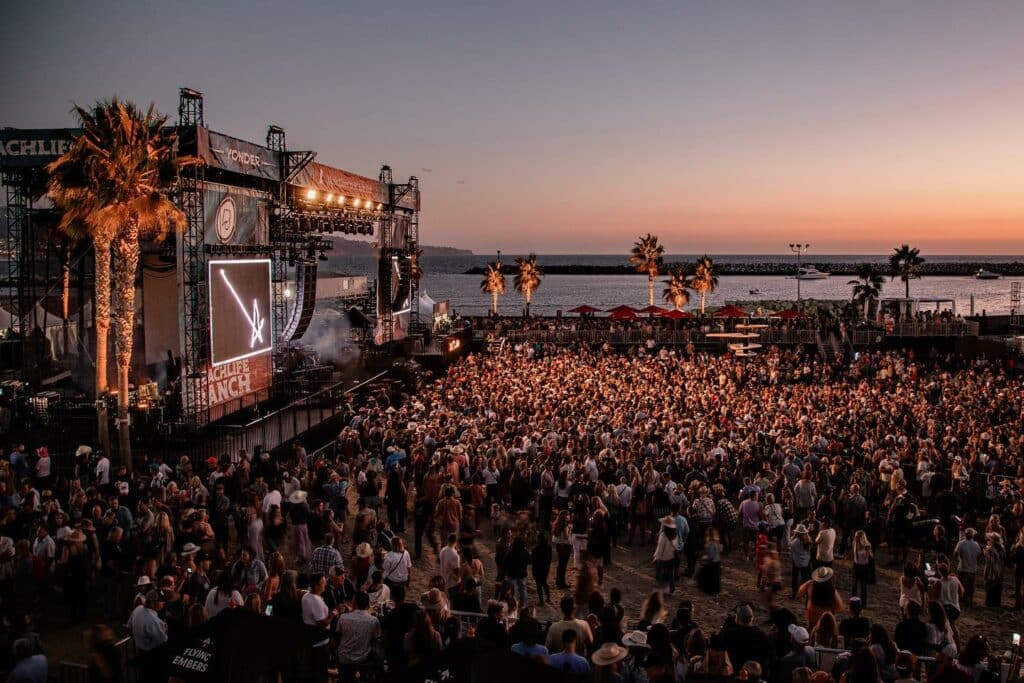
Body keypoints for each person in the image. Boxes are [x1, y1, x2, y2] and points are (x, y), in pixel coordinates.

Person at [335, 591, 381, 677]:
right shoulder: (374, 620)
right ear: (367, 605)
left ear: (354, 604)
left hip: (344, 657)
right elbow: (376, 637)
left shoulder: (343, 617)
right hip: (363, 658)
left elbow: (338, 635)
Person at [798, 566, 844, 631]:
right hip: (825, 615)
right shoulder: (831, 589)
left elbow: (800, 591)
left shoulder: (811, 583)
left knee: (811, 628)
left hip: (812, 613)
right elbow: (838, 606)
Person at [952, 528, 981, 608]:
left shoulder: (961, 543)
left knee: (963, 585)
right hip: (973, 568)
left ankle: (963, 600)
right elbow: (979, 555)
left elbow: (955, 554)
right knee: (971, 585)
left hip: (963, 567)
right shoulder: (976, 544)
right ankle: (970, 600)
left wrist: (960, 557)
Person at [653, 515, 677, 593]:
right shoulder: (674, 534)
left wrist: (656, 558)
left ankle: (661, 588)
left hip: (663, 558)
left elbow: (660, 548)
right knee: (671, 574)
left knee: (659, 573)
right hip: (671, 557)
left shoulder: (663, 535)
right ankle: (672, 588)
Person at [851, 530, 874, 606]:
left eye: (858, 536)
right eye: (856, 536)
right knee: (854, 585)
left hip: (864, 567)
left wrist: (868, 550)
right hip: (856, 566)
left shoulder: (867, 545)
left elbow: (869, 557)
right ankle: (854, 602)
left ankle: (864, 603)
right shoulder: (854, 543)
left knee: (863, 586)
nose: (856, 537)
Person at [982, 533, 1005, 608]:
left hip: (991, 569)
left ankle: (989, 602)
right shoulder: (1002, 548)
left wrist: (985, 552)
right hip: (999, 569)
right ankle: (996, 602)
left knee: (990, 586)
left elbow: (989, 561)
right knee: (997, 586)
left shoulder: (990, 549)